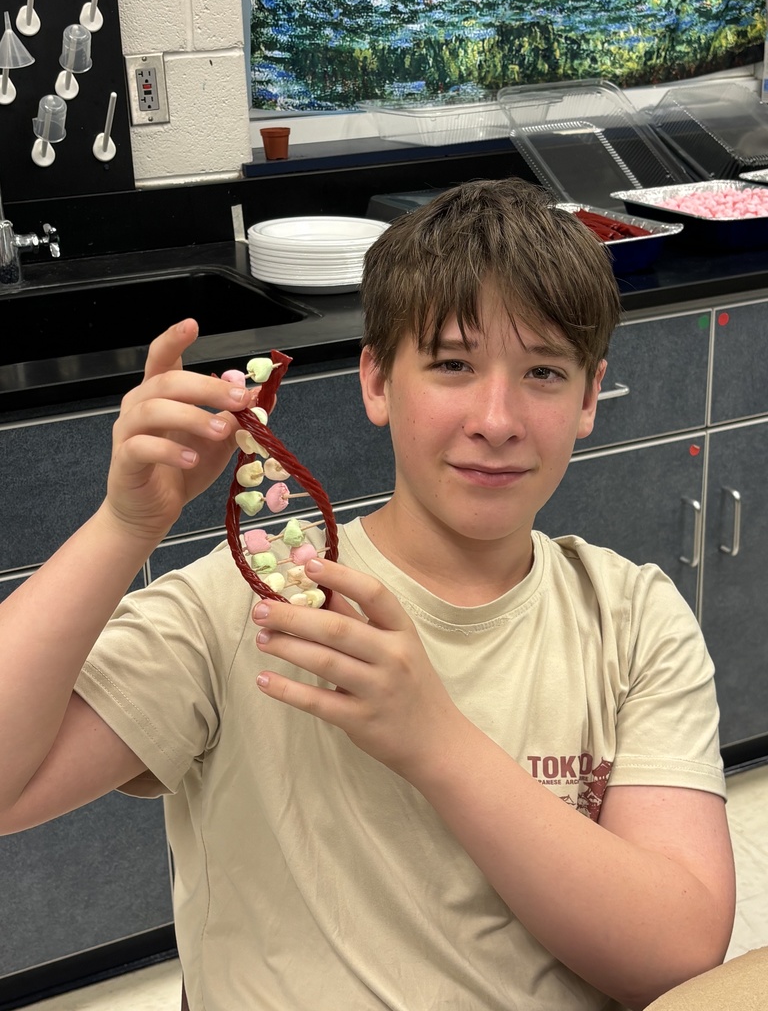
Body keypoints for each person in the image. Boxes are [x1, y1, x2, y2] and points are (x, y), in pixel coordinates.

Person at [0, 178, 735, 1011]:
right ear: (377, 381)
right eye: (453, 364)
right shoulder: (253, 600)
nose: (497, 418)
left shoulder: (632, 620)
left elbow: (676, 954)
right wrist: (122, 526)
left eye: (543, 371)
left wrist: (435, 743)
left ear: (588, 398)